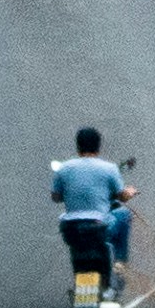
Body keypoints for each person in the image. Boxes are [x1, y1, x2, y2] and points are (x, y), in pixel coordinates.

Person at [48, 126, 128, 295]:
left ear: (78, 146)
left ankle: (84, 283)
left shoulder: (64, 168)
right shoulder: (109, 168)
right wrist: (130, 192)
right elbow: (122, 196)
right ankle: (119, 265)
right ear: (98, 146)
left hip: (71, 229)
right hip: (99, 227)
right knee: (123, 215)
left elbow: (56, 197)